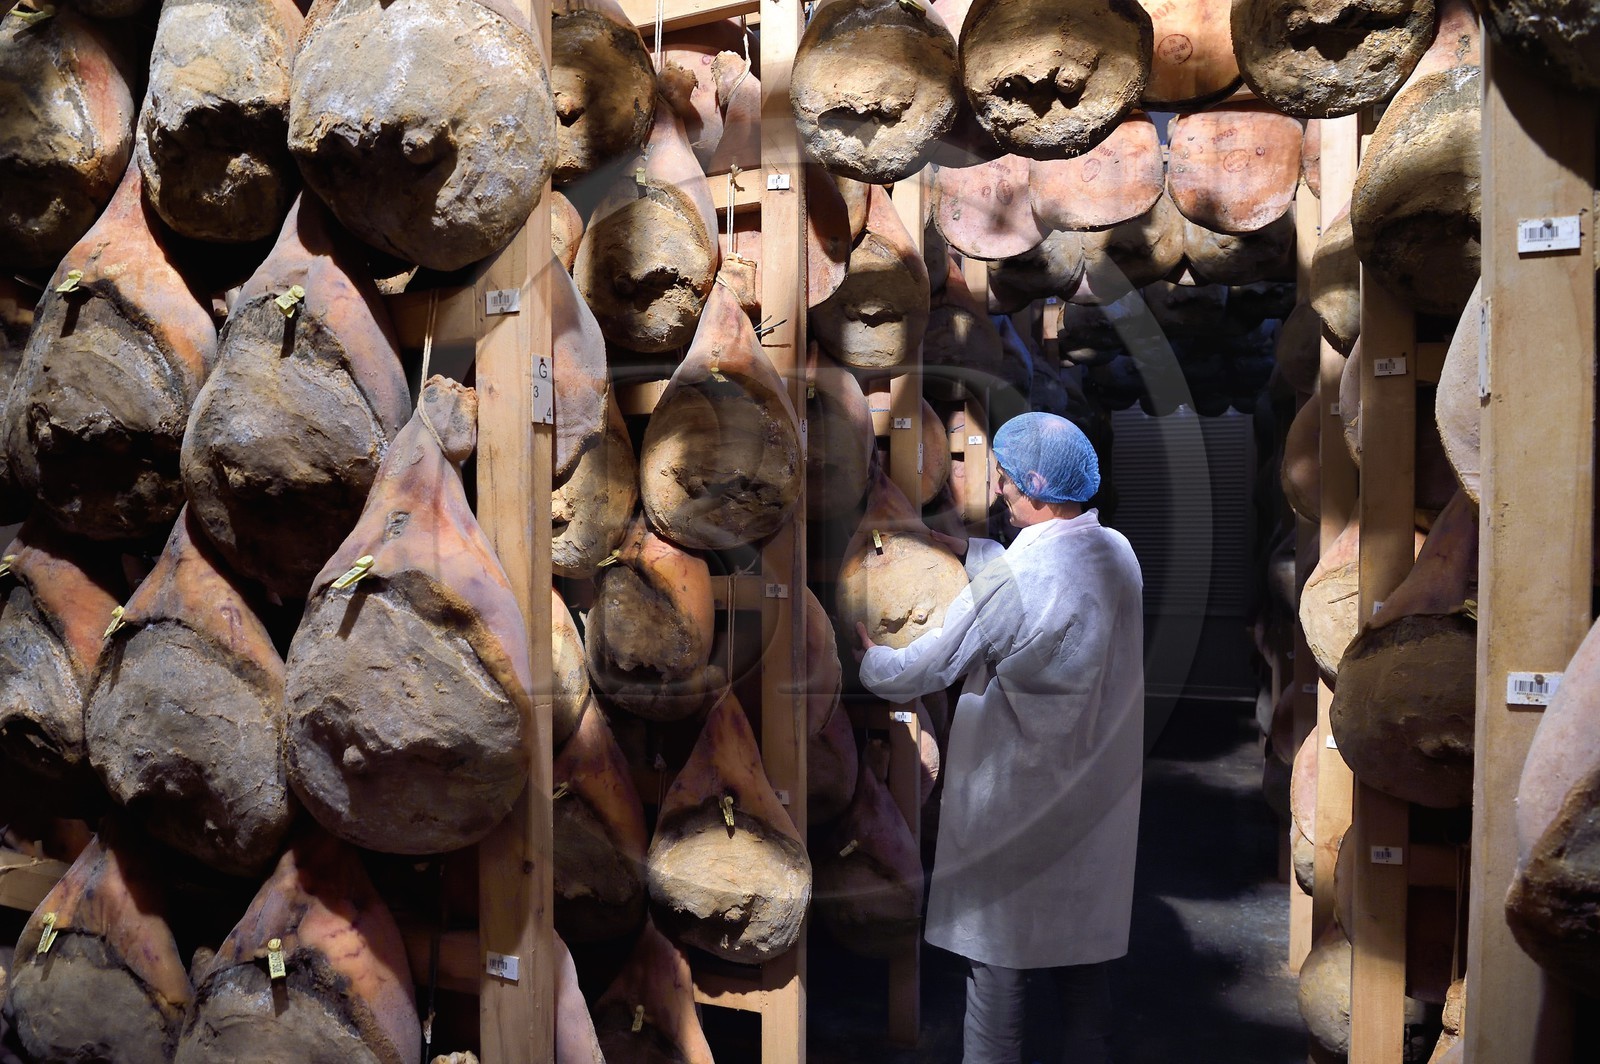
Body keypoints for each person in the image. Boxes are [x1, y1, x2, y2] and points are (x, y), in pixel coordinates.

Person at [854, 411, 1144, 1064]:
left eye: (1010, 484)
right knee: (1084, 970)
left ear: (1039, 488)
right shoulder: (1118, 554)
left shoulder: (1012, 581)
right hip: (1094, 801)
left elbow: (929, 666)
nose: (1002, 496)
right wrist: (964, 549)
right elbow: (1051, 577)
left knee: (997, 981)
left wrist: (872, 659)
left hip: (1018, 804)